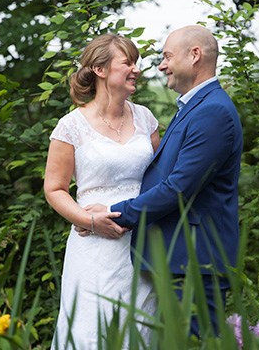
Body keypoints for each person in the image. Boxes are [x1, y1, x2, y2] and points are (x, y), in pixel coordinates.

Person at [83, 25, 243, 337]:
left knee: (200, 342)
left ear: (194, 55)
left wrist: (115, 213)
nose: (160, 65)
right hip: (179, 259)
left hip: (197, 260)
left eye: (167, 56)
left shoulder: (213, 111)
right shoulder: (193, 107)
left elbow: (178, 188)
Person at [43, 33, 160, 349]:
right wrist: (88, 220)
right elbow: (54, 188)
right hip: (95, 248)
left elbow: (160, 179)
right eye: (128, 62)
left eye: (136, 62)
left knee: (141, 331)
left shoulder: (146, 119)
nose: (136, 68)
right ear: (100, 69)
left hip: (142, 244)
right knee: (91, 332)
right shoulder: (71, 126)